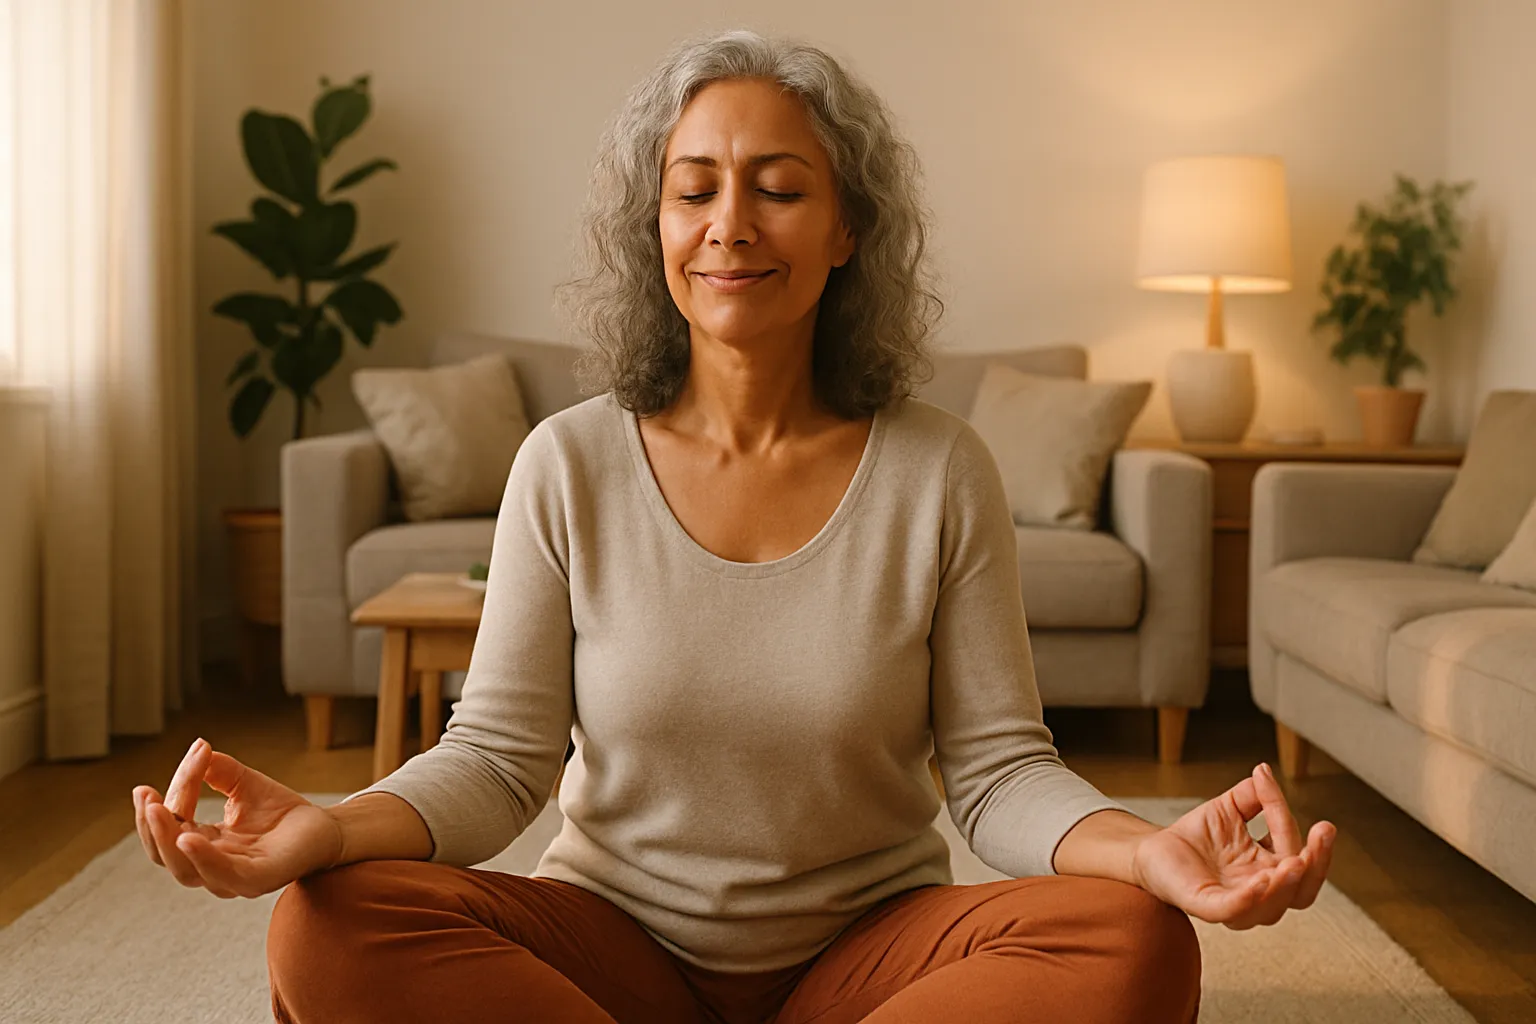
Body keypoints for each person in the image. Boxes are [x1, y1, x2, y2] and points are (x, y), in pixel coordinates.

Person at [131, 27, 1336, 1024]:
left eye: (780, 188)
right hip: (608, 952)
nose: (732, 225)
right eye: (694, 189)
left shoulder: (940, 469)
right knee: (332, 919)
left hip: (873, 960)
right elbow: (497, 763)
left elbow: (998, 772)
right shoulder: (567, 462)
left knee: (1134, 941)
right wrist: (328, 827)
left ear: (848, 228)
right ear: (653, 231)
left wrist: (1147, 849)